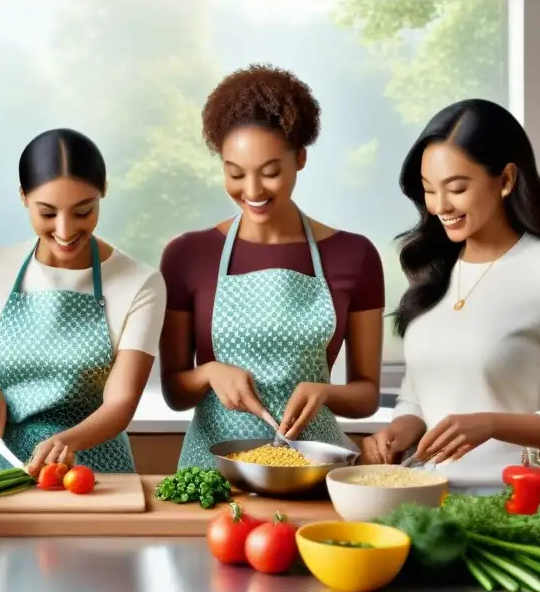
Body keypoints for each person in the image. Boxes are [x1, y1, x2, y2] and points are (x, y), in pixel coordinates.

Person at [365, 98, 540, 489]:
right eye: (429, 190)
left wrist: (491, 424)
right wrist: (401, 428)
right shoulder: (433, 271)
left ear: (506, 180)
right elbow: (418, 395)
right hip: (423, 497)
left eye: (456, 188)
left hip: (509, 500)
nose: (440, 206)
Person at [159, 64, 385, 470]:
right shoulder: (187, 255)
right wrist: (209, 372)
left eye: (270, 172)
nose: (252, 191)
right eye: (235, 173)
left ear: (300, 158)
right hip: (213, 471)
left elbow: (367, 394)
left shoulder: (355, 255)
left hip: (312, 467)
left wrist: (326, 392)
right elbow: (175, 391)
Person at [0, 128, 166, 476]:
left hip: (91, 472)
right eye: (47, 213)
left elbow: (120, 402)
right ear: (23, 197)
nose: (65, 229)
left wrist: (68, 442)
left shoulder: (141, 283)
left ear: (103, 193)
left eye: (83, 211)